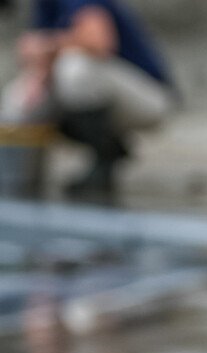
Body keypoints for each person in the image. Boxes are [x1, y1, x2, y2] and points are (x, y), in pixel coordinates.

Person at [2, 0, 175, 204]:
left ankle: (105, 158)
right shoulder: (43, 4)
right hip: (95, 89)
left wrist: (48, 45)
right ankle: (23, 179)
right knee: (18, 98)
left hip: (148, 97)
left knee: (74, 69)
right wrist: (38, 75)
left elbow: (97, 41)